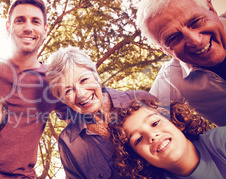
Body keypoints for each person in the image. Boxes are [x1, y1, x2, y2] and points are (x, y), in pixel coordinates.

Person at [0, 0, 67, 177]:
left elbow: (84, 113)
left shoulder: (53, 80)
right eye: (20, 20)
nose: (28, 28)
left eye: (35, 21)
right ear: (8, 26)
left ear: (45, 29)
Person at [46, 47, 156, 178]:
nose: (81, 94)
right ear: (62, 99)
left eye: (84, 80)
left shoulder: (141, 101)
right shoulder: (69, 143)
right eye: (68, 90)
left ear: (96, 76)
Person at [136, 0, 226, 126]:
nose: (195, 41)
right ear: (164, 50)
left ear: (211, 9)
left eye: (196, 21)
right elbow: (143, 121)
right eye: (173, 37)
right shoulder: (170, 80)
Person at [109, 98, 226, 178]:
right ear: (140, 159)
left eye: (155, 123)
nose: (152, 136)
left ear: (176, 122)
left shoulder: (225, 140)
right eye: (138, 139)